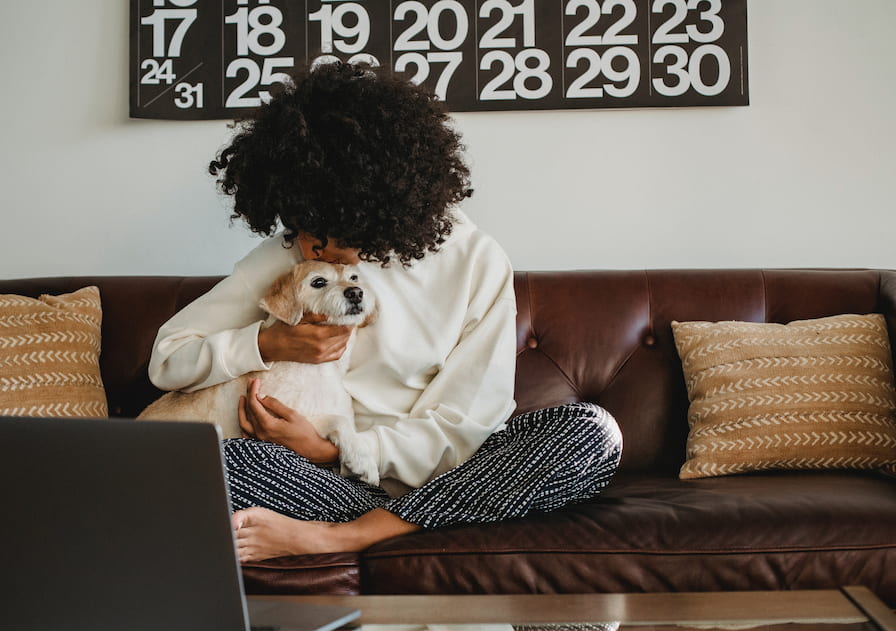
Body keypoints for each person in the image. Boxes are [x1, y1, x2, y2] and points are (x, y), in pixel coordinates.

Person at [149, 62, 622, 563]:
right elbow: (167, 355)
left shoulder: (475, 262)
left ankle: (347, 537)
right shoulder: (296, 250)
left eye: (323, 228)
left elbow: (467, 425)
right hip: (318, 487)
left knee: (591, 433)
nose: (308, 243)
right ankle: (379, 525)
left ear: (374, 212)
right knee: (213, 464)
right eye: (299, 223)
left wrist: (338, 451)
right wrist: (266, 344)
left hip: (437, 483)